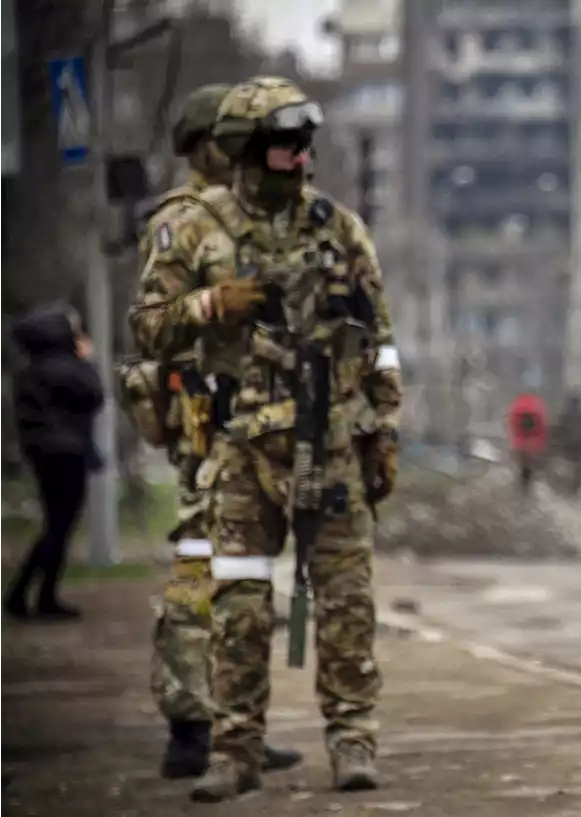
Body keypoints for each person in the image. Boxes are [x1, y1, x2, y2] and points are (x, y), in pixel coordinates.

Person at [129, 77, 402, 802]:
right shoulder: (197, 229)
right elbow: (148, 325)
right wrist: (213, 303)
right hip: (244, 450)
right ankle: (234, 750)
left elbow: (378, 339)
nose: (299, 154)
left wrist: (385, 430)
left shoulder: (338, 228)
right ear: (247, 149)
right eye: (284, 142)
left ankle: (353, 740)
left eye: (305, 142)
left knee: (346, 602)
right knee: (241, 605)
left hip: (332, 442)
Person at [120, 83, 302, 781]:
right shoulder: (183, 220)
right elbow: (150, 323)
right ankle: (188, 722)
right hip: (205, 414)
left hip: (260, 418)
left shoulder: (258, 215)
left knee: (248, 574)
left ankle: (238, 721)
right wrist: (212, 300)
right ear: (207, 146)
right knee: (200, 564)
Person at [4, 306, 102, 620]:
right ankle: (29, 595)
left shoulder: (33, 368)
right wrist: (87, 361)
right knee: (59, 527)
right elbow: (94, 394)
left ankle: (33, 595)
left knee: (55, 526)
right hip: (66, 454)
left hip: (46, 454)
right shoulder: (65, 367)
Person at [507, 391, 549, 495]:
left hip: (521, 444)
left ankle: (522, 489)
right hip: (532, 443)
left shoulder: (517, 409)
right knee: (529, 466)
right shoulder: (538, 408)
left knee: (523, 466)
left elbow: (514, 428)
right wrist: (538, 446)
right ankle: (526, 489)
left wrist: (516, 445)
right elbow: (542, 429)